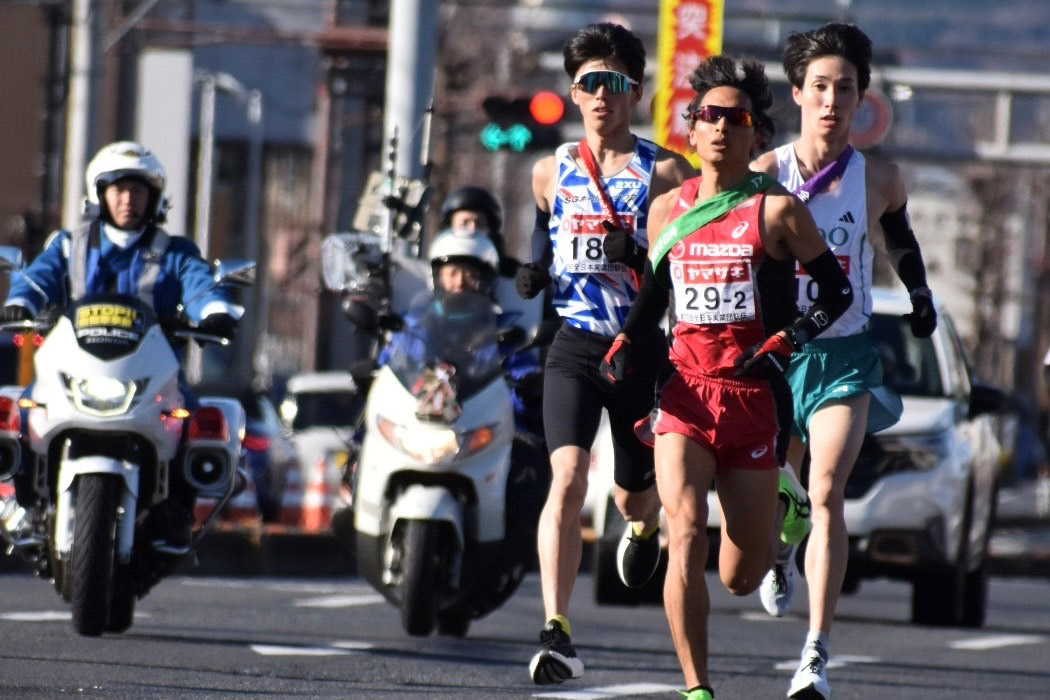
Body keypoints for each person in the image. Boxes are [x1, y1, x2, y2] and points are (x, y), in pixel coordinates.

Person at [602, 54, 853, 700]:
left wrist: (787, 339)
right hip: (685, 394)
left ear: (755, 135)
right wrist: (629, 336)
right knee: (683, 533)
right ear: (691, 129)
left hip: (750, 401)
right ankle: (697, 688)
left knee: (740, 576)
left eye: (734, 118)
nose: (719, 128)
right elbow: (654, 292)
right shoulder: (665, 212)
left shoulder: (778, 213)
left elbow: (836, 292)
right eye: (707, 116)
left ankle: (781, 515)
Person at [749, 23, 937, 700]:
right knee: (778, 495)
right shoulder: (763, 174)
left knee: (826, 492)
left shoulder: (880, 178)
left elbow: (901, 241)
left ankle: (815, 653)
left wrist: (919, 295)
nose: (832, 101)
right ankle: (778, 551)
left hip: (843, 356)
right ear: (797, 93)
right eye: (820, 87)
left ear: (863, 99)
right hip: (773, 356)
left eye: (846, 89)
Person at [514, 22, 694, 686]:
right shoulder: (550, 169)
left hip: (639, 350)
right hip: (574, 346)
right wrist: (533, 276)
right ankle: (556, 628)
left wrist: (640, 257)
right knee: (564, 479)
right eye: (588, 82)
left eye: (613, 83)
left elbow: (690, 266)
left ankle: (643, 528)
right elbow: (543, 233)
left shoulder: (666, 173)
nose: (600, 95)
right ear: (572, 92)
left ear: (634, 93)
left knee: (629, 499)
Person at [0, 140, 242, 549]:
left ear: (154, 198)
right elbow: (36, 278)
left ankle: (177, 512)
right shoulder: (69, 245)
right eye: (118, 189)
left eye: (138, 190)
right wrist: (18, 302)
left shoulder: (175, 252)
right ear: (99, 194)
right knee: (21, 408)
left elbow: (200, 285)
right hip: (74, 366)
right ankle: (24, 504)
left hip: (151, 371)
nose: (128, 199)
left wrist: (216, 309)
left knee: (196, 421)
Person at [440, 185, 520, 276]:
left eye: (479, 224)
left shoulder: (508, 274)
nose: (472, 229)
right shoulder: (434, 267)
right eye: (464, 223)